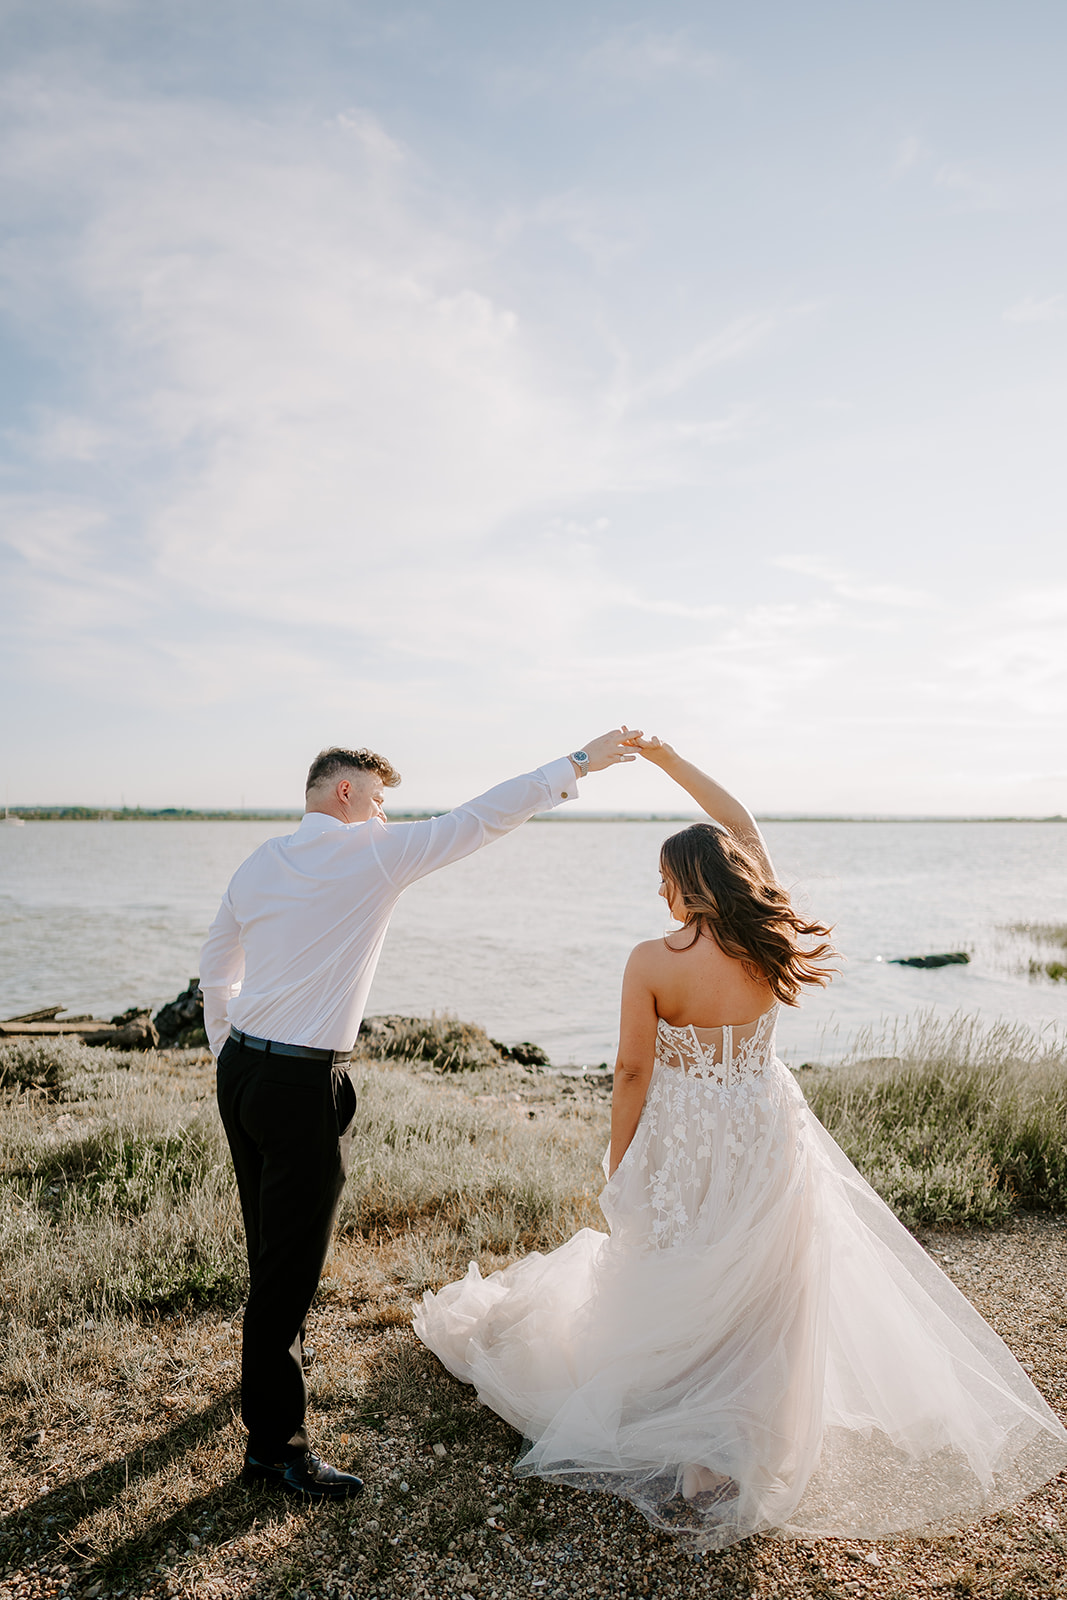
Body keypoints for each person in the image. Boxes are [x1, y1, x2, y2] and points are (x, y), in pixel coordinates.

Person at [414, 736, 1067, 1548]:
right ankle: (729, 1437)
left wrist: (620, 1160)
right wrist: (665, 760)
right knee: (762, 1279)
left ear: (689, 883)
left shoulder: (652, 960)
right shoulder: (769, 933)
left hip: (688, 1131)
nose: (656, 889)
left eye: (662, 876)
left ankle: (688, 1427)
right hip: (763, 1121)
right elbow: (740, 820)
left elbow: (628, 1073)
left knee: (680, 1261)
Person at [199, 729, 640, 1501]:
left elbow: (216, 963)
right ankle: (274, 1452)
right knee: (286, 1263)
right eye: (378, 799)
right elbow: (479, 819)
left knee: (269, 1241)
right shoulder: (371, 852)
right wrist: (574, 765)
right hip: (297, 1083)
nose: (383, 815)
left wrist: (227, 1051)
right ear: (345, 793)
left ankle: (267, 1374)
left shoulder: (261, 859)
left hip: (244, 1071)